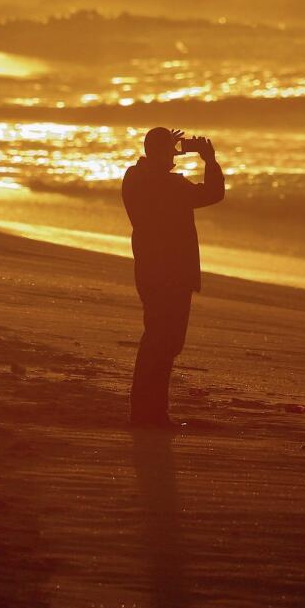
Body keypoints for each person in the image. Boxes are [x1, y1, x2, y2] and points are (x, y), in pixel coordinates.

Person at [122, 127, 224, 429]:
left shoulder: (133, 178)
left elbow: (151, 173)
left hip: (149, 270)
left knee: (156, 338)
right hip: (173, 273)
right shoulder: (171, 186)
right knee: (165, 342)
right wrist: (209, 160)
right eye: (171, 148)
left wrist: (165, 152)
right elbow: (213, 193)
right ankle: (149, 413)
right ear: (163, 152)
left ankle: (147, 410)